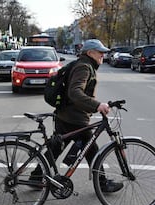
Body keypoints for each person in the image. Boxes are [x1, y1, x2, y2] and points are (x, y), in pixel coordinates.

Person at [30, 39, 123, 193]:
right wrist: (97, 105)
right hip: (75, 118)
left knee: (55, 148)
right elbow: (75, 92)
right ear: (90, 53)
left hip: (65, 115)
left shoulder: (82, 64)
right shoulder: (84, 67)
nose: (102, 56)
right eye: (100, 52)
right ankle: (102, 183)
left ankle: (35, 177)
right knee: (92, 149)